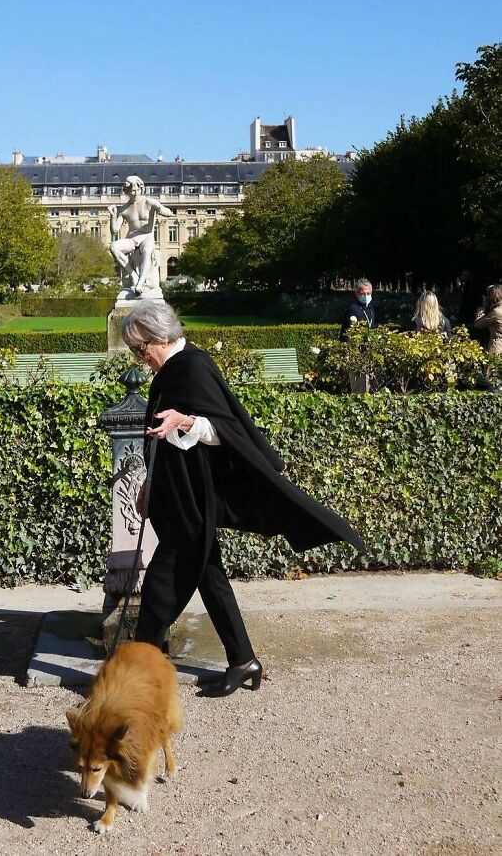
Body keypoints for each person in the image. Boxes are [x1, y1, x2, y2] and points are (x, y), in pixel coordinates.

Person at [122, 301, 365, 698]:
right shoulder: (170, 370)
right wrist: (151, 481)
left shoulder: (193, 366)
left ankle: (133, 677)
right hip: (177, 490)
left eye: (140, 347)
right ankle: (243, 660)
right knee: (209, 575)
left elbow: (225, 429)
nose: (139, 356)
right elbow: (163, 438)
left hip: (193, 498)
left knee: (162, 584)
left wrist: (185, 421)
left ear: (161, 337)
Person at [108, 175, 173, 298]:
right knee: (114, 247)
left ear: (141, 189)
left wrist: (159, 208)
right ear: (127, 191)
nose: (135, 193)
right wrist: (112, 216)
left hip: (147, 236)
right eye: (132, 191)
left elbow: (168, 213)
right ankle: (133, 274)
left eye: (137, 190)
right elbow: (115, 231)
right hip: (132, 238)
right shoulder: (124, 209)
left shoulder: (149, 202)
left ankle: (140, 283)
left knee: (147, 250)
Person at [473, 283, 502, 356]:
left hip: (497, 346)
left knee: (492, 367)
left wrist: (482, 309)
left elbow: (478, 324)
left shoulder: (496, 312)